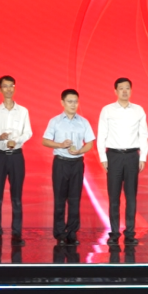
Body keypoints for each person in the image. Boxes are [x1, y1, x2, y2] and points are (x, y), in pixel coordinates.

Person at [97, 77, 148, 245]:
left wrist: (143, 156)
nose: (125, 91)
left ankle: (130, 233)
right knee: (114, 197)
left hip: (133, 156)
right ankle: (114, 232)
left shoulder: (138, 110)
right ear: (115, 91)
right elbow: (101, 134)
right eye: (121, 88)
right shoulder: (107, 110)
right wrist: (103, 157)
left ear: (131, 90)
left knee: (131, 197)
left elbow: (143, 135)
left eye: (127, 88)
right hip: (114, 156)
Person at [0, 75, 32, 246]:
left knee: (16, 197)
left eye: (12, 86)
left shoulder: (23, 111)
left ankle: (17, 234)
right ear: (0, 89)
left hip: (16, 156)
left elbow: (28, 132)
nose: (9, 89)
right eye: (5, 86)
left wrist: (16, 141)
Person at [41, 89, 95, 246]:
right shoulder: (55, 121)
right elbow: (45, 141)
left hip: (77, 163)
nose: (73, 104)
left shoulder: (83, 122)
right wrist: (60, 145)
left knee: (74, 199)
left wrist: (80, 150)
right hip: (61, 163)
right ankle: (59, 234)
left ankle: (72, 233)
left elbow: (90, 143)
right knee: (59, 199)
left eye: (76, 102)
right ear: (62, 103)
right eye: (70, 101)